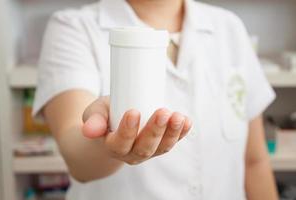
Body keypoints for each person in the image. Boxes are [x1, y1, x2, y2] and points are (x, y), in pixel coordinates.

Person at [33, 0, 279, 199]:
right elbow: (77, 156)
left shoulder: (229, 27)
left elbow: (254, 161)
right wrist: (108, 141)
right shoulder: (72, 27)